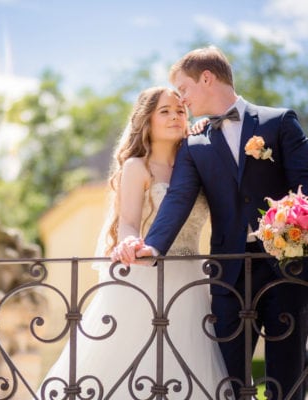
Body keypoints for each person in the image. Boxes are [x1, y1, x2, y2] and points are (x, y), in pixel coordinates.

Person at [125, 46, 308, 399]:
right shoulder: (194, 144)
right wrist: (154, 245)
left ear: (207, 78)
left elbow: (305, 186)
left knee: (288, 379)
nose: (183, 99)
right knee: (229, 379)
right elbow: (178, 197)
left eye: (184, 89)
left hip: (286, 268)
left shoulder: (279, 121)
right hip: (229, 274)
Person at [36, 87, 232, 399]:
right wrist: (129, 243)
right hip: (145, 272)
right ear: (147, 120)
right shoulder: (136, 167)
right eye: (165, 111)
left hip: (192, 279)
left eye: (180, 111)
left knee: (187, 360)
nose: (174, 117)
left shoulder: (196, 163)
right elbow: (128, 220)